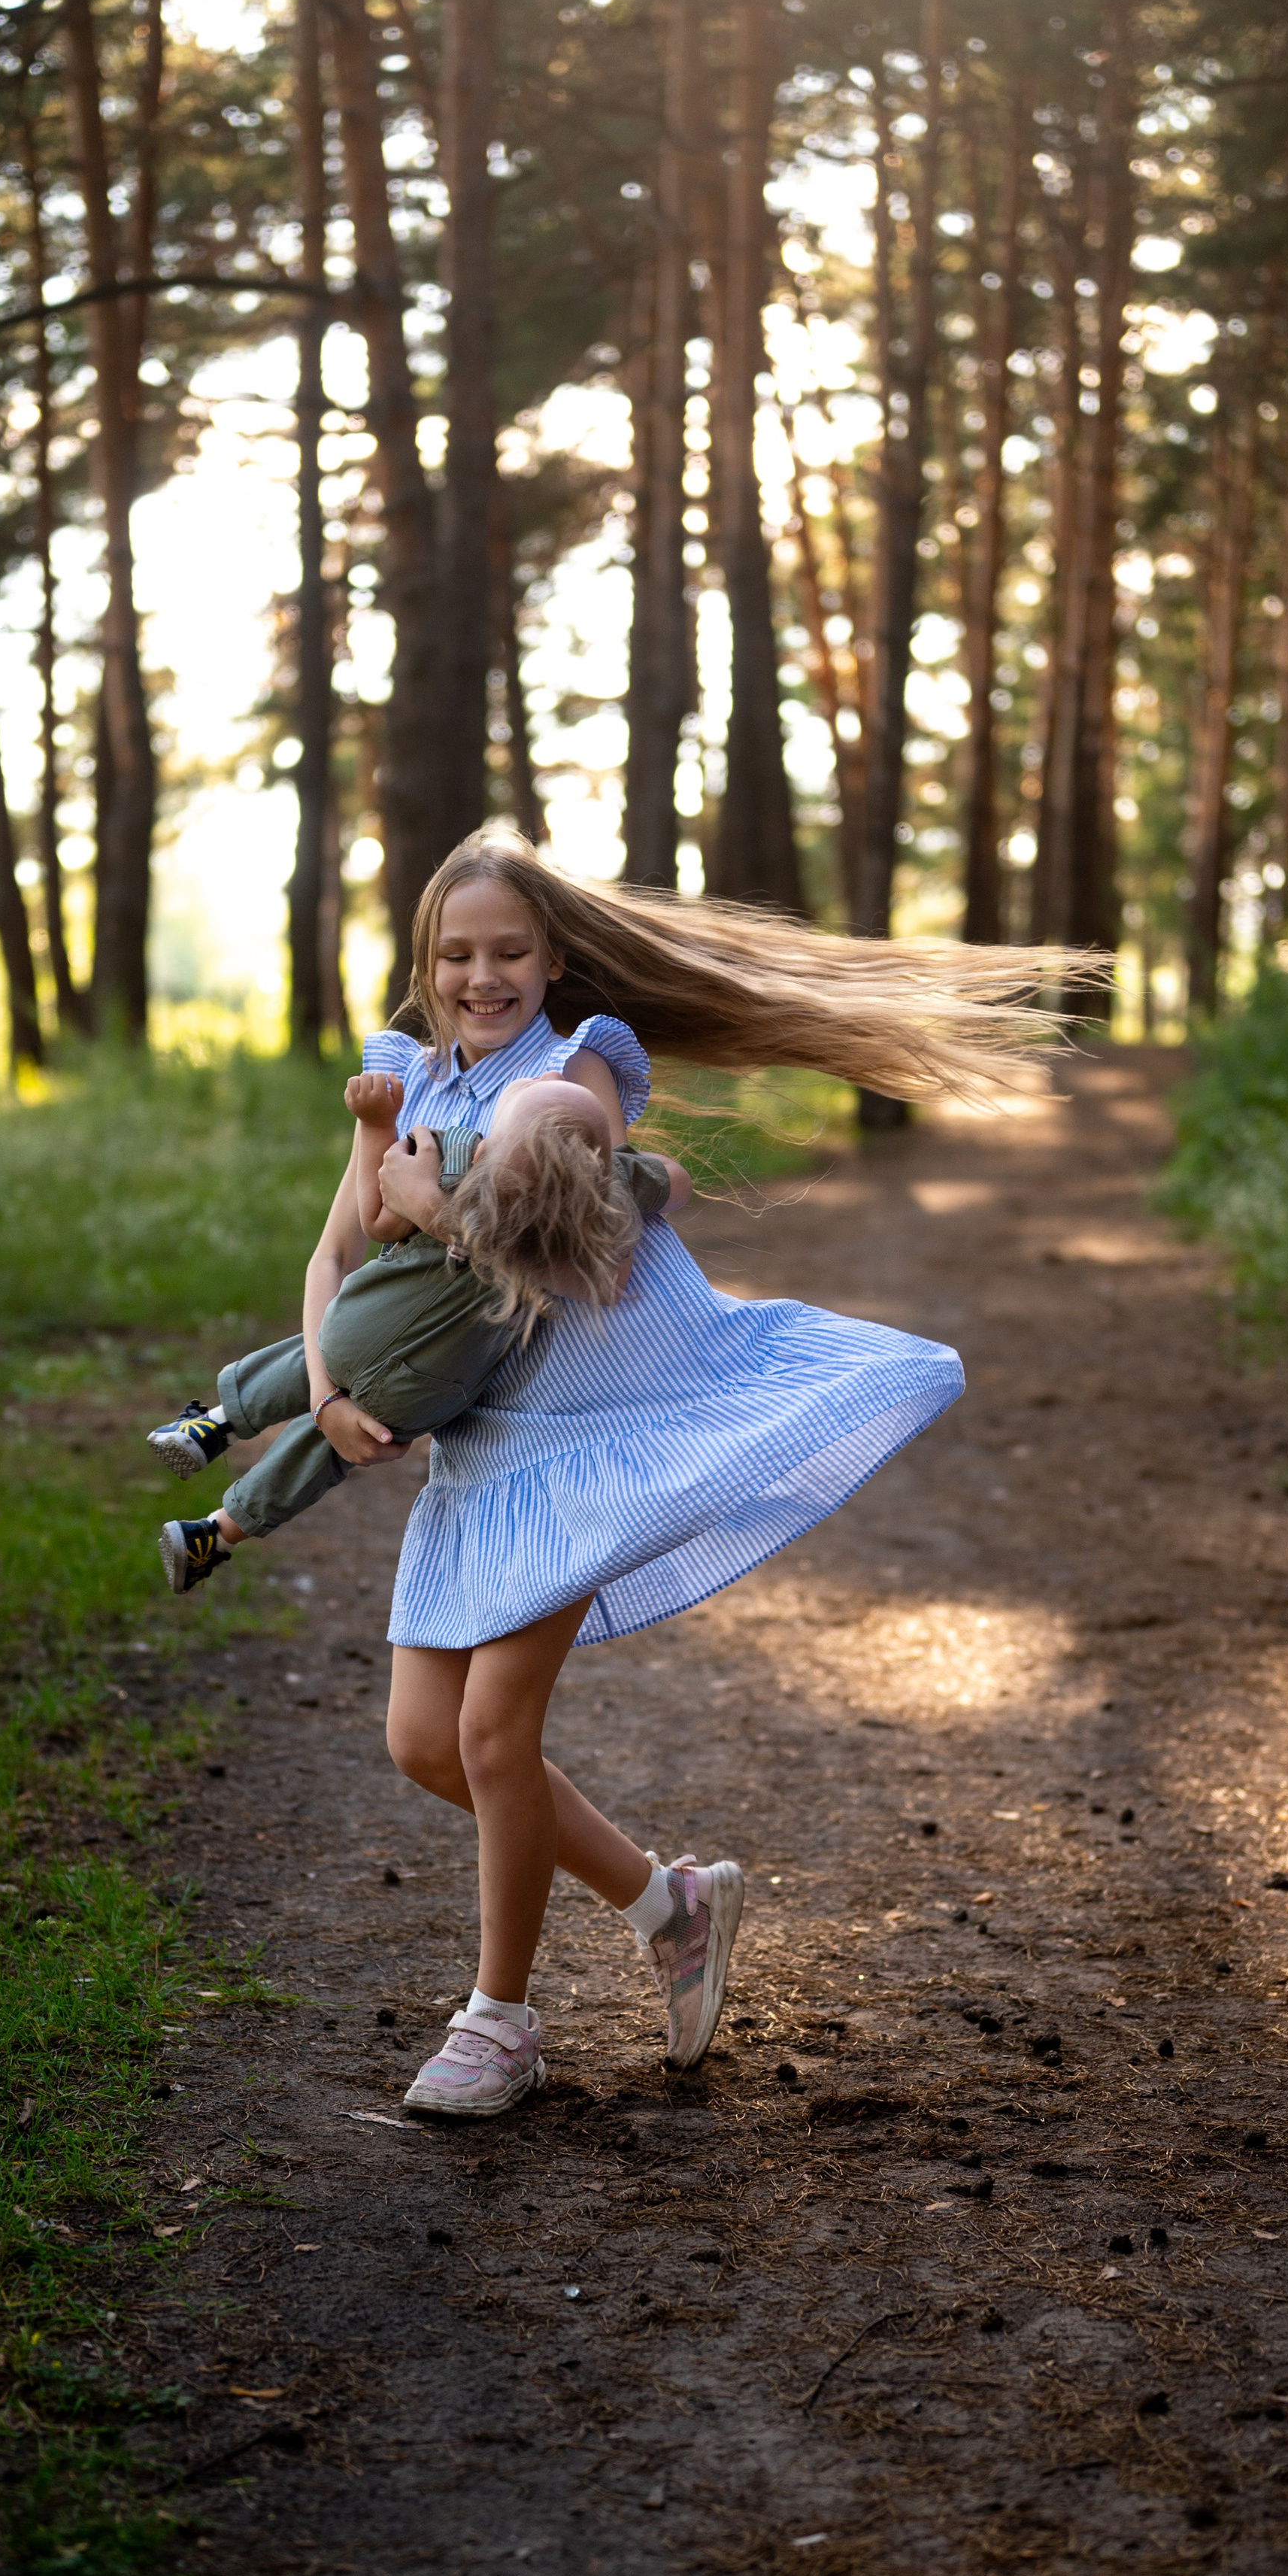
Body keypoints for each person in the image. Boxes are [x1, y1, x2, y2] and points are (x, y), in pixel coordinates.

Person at [192, 829, 1074, 2120]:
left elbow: (591, 1257)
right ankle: (672, 1905)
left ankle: (500, 2022)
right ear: (426, 966)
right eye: (457, 954)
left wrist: (438, 1210)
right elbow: (333, 1258)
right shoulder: (407, 1082)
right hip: (482, 1452)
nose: (483, 976)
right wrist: (323, 1395)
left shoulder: (578, 1072)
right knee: (424, 1744)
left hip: (586, 1444)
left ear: (554, 958)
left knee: (494, 1734)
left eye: (510, 951)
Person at [151, 1070, 688, 1594]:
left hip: (362, 1326)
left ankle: (214, 1425)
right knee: (323, 1452)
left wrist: (375, 1125)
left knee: (309, 1357)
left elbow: (376, 1219)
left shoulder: (453, 1159)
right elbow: (675, 1186)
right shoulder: (594, 1209)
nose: (544, 1074)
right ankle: (215, 1534)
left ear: (486, 1150)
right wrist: (617, 1176)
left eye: (530, 1088)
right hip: (428, 1390)